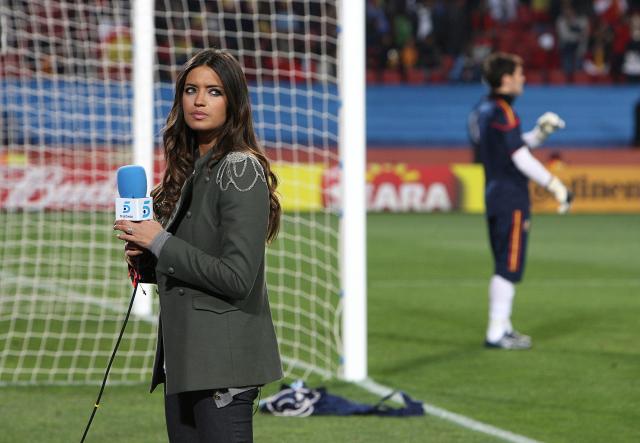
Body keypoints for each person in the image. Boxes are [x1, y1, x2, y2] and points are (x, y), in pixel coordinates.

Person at [113, 48, 283, 442]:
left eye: (214, 91)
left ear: (234, 102)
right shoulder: (194, 169)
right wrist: (147, 258)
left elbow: (237, 276)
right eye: (191, 90)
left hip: (223, 366)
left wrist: (161, 241)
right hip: (186, 361)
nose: (200, 100)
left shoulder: (239, 168)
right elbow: (191, 267)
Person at [468, 52, 572, 350]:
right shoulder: (502, 112)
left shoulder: (482, 110)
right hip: (510, 195)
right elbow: (518, 156)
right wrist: (554, 184)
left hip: (494, 192)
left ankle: (504, 326)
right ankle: (495, 332)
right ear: (506, 79)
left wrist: (540, 134)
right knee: (508, 265)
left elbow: (510, 146)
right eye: (519, 73)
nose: (523, 78)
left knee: (504, 262)